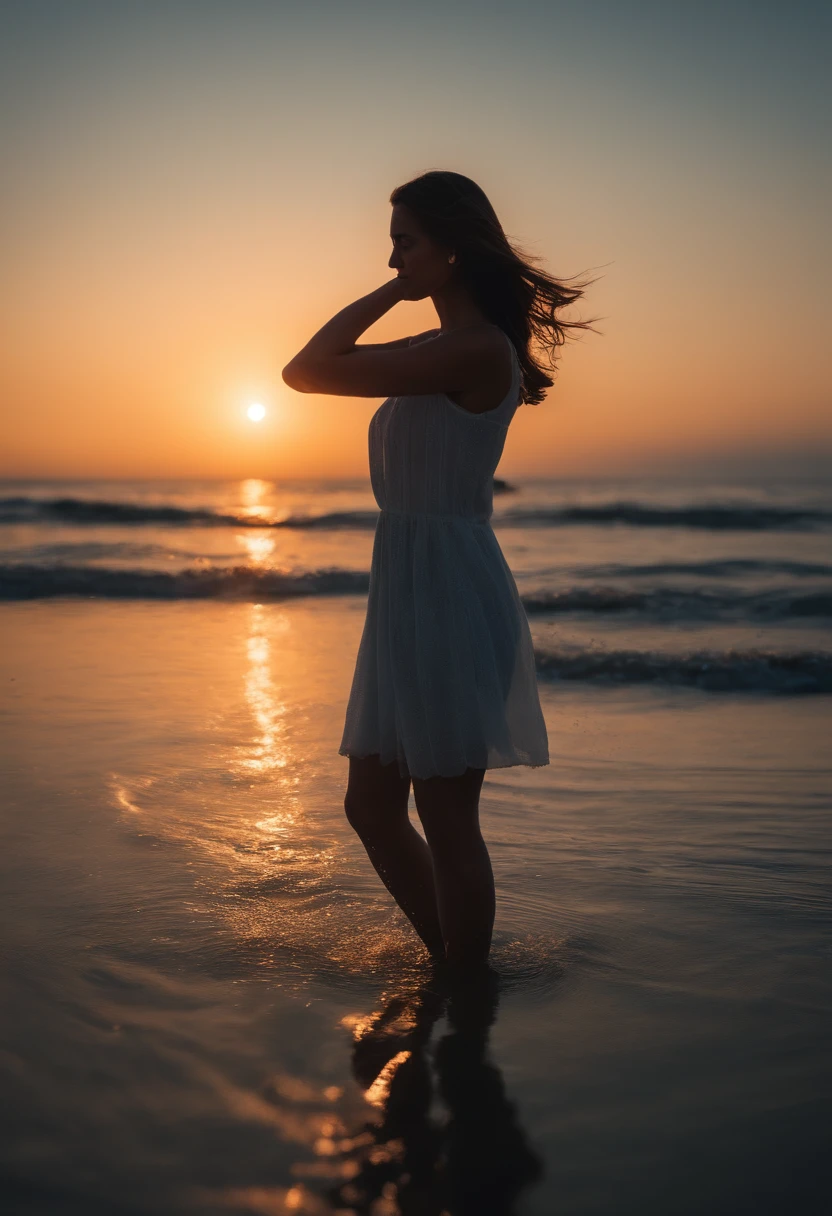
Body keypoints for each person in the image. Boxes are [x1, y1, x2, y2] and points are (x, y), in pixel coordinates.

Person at [283, 170, 598, 969]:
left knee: (447, 815)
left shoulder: (473, 349)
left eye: (405, 243)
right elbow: (309, 368)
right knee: (372, 805)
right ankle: (455, 966)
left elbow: (308, 369)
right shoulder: (435, 347)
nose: (393, 261)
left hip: (450, 591)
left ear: (450, 250)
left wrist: (391, 295)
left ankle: (465, 985)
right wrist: (403, 292)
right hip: (407, 591)